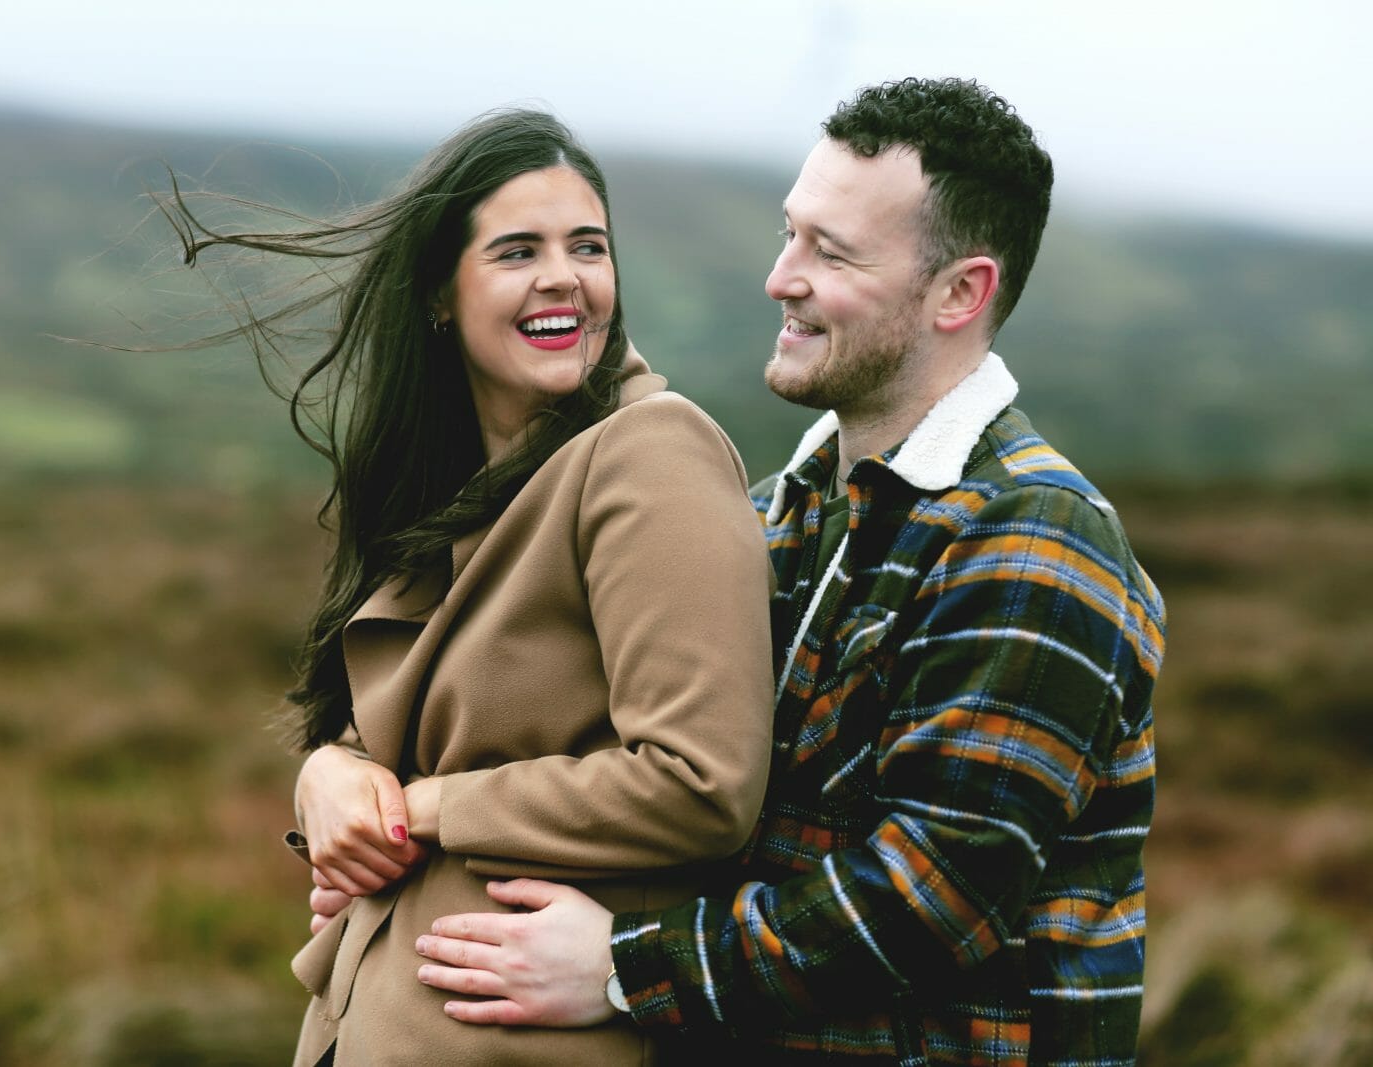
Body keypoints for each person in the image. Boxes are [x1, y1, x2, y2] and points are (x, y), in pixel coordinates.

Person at [386, 78, 1167, 1063]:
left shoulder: (1033, 542)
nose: (779, 276)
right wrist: (349, 786)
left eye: (828, 251)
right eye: (789, 232)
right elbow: (618, 752)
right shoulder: (772, 510)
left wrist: (623, 965)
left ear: (959, 293)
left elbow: (926, 898)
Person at [190, 110, 777, 1066]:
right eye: (517, 251)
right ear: (439, 295)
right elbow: (409, 725)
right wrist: (328, 773)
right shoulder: (456, 487)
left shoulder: (648, 451)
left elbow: (700, 781)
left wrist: (416, 807)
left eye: (587, 246)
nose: (563, 276)